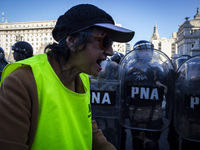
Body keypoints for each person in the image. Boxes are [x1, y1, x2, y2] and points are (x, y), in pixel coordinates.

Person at [0, 4, 134, 150]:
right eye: (105, 41)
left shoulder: (83, 78)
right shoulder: (22, 80)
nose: (110, 52)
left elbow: (86, 125)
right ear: (72, 41)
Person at [122, 40, 168, 150]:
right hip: (135, 113)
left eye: (149, 50)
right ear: (137, 52)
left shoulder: (157, 70)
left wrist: (161, 85)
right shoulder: (129, 71)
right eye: (143, 50)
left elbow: (167, 91)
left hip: (154, 113)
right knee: (137, 142)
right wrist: (126, 82)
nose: (147, 53)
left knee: (151, 144)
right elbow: (121, 93)